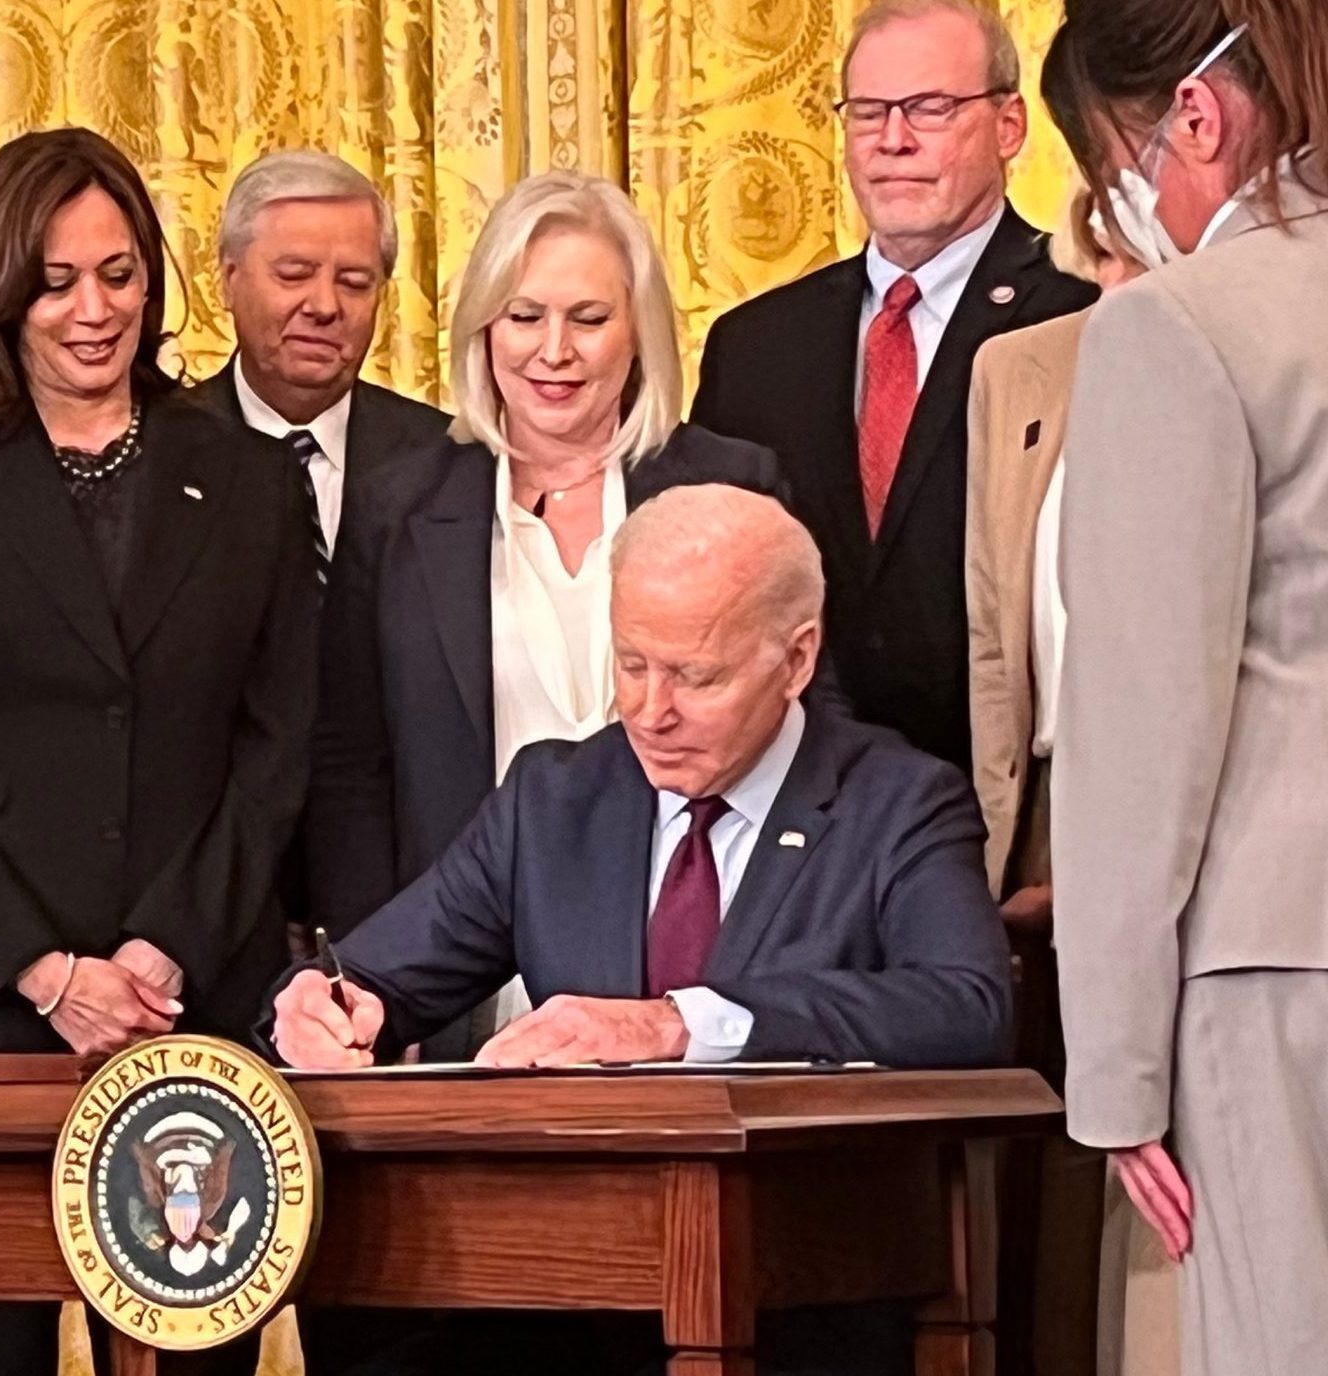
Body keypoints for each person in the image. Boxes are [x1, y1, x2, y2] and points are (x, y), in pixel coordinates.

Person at [270, 484, 1010, 1376]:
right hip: (570, 1302)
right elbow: (377, 977)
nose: (650, 712)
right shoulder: (555, 798)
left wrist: (682, 1024)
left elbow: (966, 1006)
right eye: (631, 665)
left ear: (797, 657)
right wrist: (324, 1002)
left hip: (808, 1303)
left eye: (696, 677)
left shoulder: (898, 804)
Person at [0, 126, 317, 1376]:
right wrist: (47, 972)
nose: (94, 310)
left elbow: (276, 752)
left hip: (187, 1008)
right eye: (56, 281)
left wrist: (159, 956)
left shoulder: (254, 477)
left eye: (120, 274)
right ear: (0, 290)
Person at [1040, 4, 1328, 1373]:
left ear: (1195, 125)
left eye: (1113, 173)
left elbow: (1141, 733)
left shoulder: (1183, 326)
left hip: (1282, 970)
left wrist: (1116, 1078)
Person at [307, 171, 782, 999]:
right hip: (466, 980)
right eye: (525, 317)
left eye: (588, 319)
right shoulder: (396, 506)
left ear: (638, 332)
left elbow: (801, 726)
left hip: (694, 963)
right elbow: (351, 771)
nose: (553, 351)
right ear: (484, 328)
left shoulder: (731, 487)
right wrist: (375, 980)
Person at [691, 0, 1097, 773]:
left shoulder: (1080, 317)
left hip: (1012, 810)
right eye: (869, 112)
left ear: (1010, 127)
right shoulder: (754, 348)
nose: (894, 140)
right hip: (798, 816)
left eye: (931, 109)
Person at [965, 190, 1168, 1376]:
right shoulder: (1021, 369)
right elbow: (998, 640)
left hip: (1177, 828)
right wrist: (1012, 851)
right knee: (1039, 1189)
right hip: (1040, 822)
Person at [188, 150, 448, 574]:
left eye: (354, 283)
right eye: (294, 274)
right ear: (228, 280)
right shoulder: (157, 455)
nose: (325, 305)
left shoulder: (445, 462)